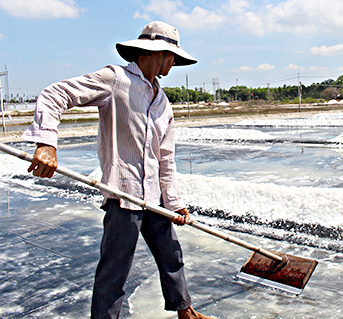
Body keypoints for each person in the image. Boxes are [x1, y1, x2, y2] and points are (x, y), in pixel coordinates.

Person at [22, 21, 215, 319]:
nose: (174, 62)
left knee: (172, 256)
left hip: (154, 199)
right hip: (122, 196)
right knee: (114, 272)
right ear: (156, 53)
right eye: (172, 56)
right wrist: (47, 142)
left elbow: (165, 159)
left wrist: (175, 203)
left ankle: (185, 312)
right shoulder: (115, 79)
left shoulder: (163, 102)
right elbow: (55, 94)